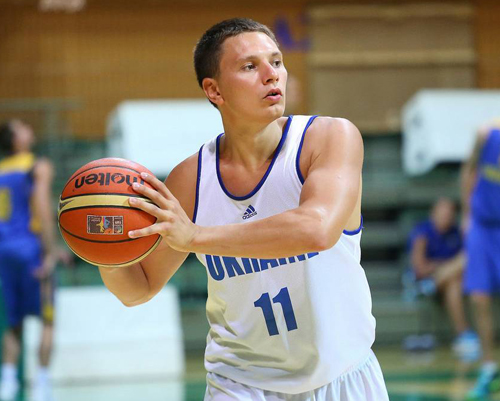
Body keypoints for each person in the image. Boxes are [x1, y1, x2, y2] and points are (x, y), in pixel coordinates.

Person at [98, 18, 389, 401]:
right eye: (250, 66)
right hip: (240, 383)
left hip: (343, 376)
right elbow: (139, 287)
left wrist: (196, 236)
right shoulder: (191, 179)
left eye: (277, 62)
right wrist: (104, 251)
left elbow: (316, 229)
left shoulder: (329, 138)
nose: (272, 75)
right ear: (214, 90)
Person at [0, 119, 67, 401]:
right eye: (22, 127)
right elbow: (41, 204)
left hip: (4, 252)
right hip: (31, 250)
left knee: (13, 324)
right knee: (47, 321)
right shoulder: (38, 165)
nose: (29, 128)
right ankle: (42, 384)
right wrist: (51, 251)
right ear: (16, 139)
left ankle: (7, 382)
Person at [405, 197, 479, 360]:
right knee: (462, 262)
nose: (446, 216)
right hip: (423, 280)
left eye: (449, 213)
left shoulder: (455, 232)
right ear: (433, 213)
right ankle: (464, 334)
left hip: (448, 282)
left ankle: (463, 335)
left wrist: (443, 269)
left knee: (454, 283)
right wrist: (445, 266)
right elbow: (419, 268)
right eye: (443, 212)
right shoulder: (423, 232)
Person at [462, 120, 500, 400]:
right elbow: (469, 170)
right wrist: (466, 214)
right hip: (483, 226)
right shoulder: (486, 135)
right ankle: (489, 368)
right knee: (479, 298)